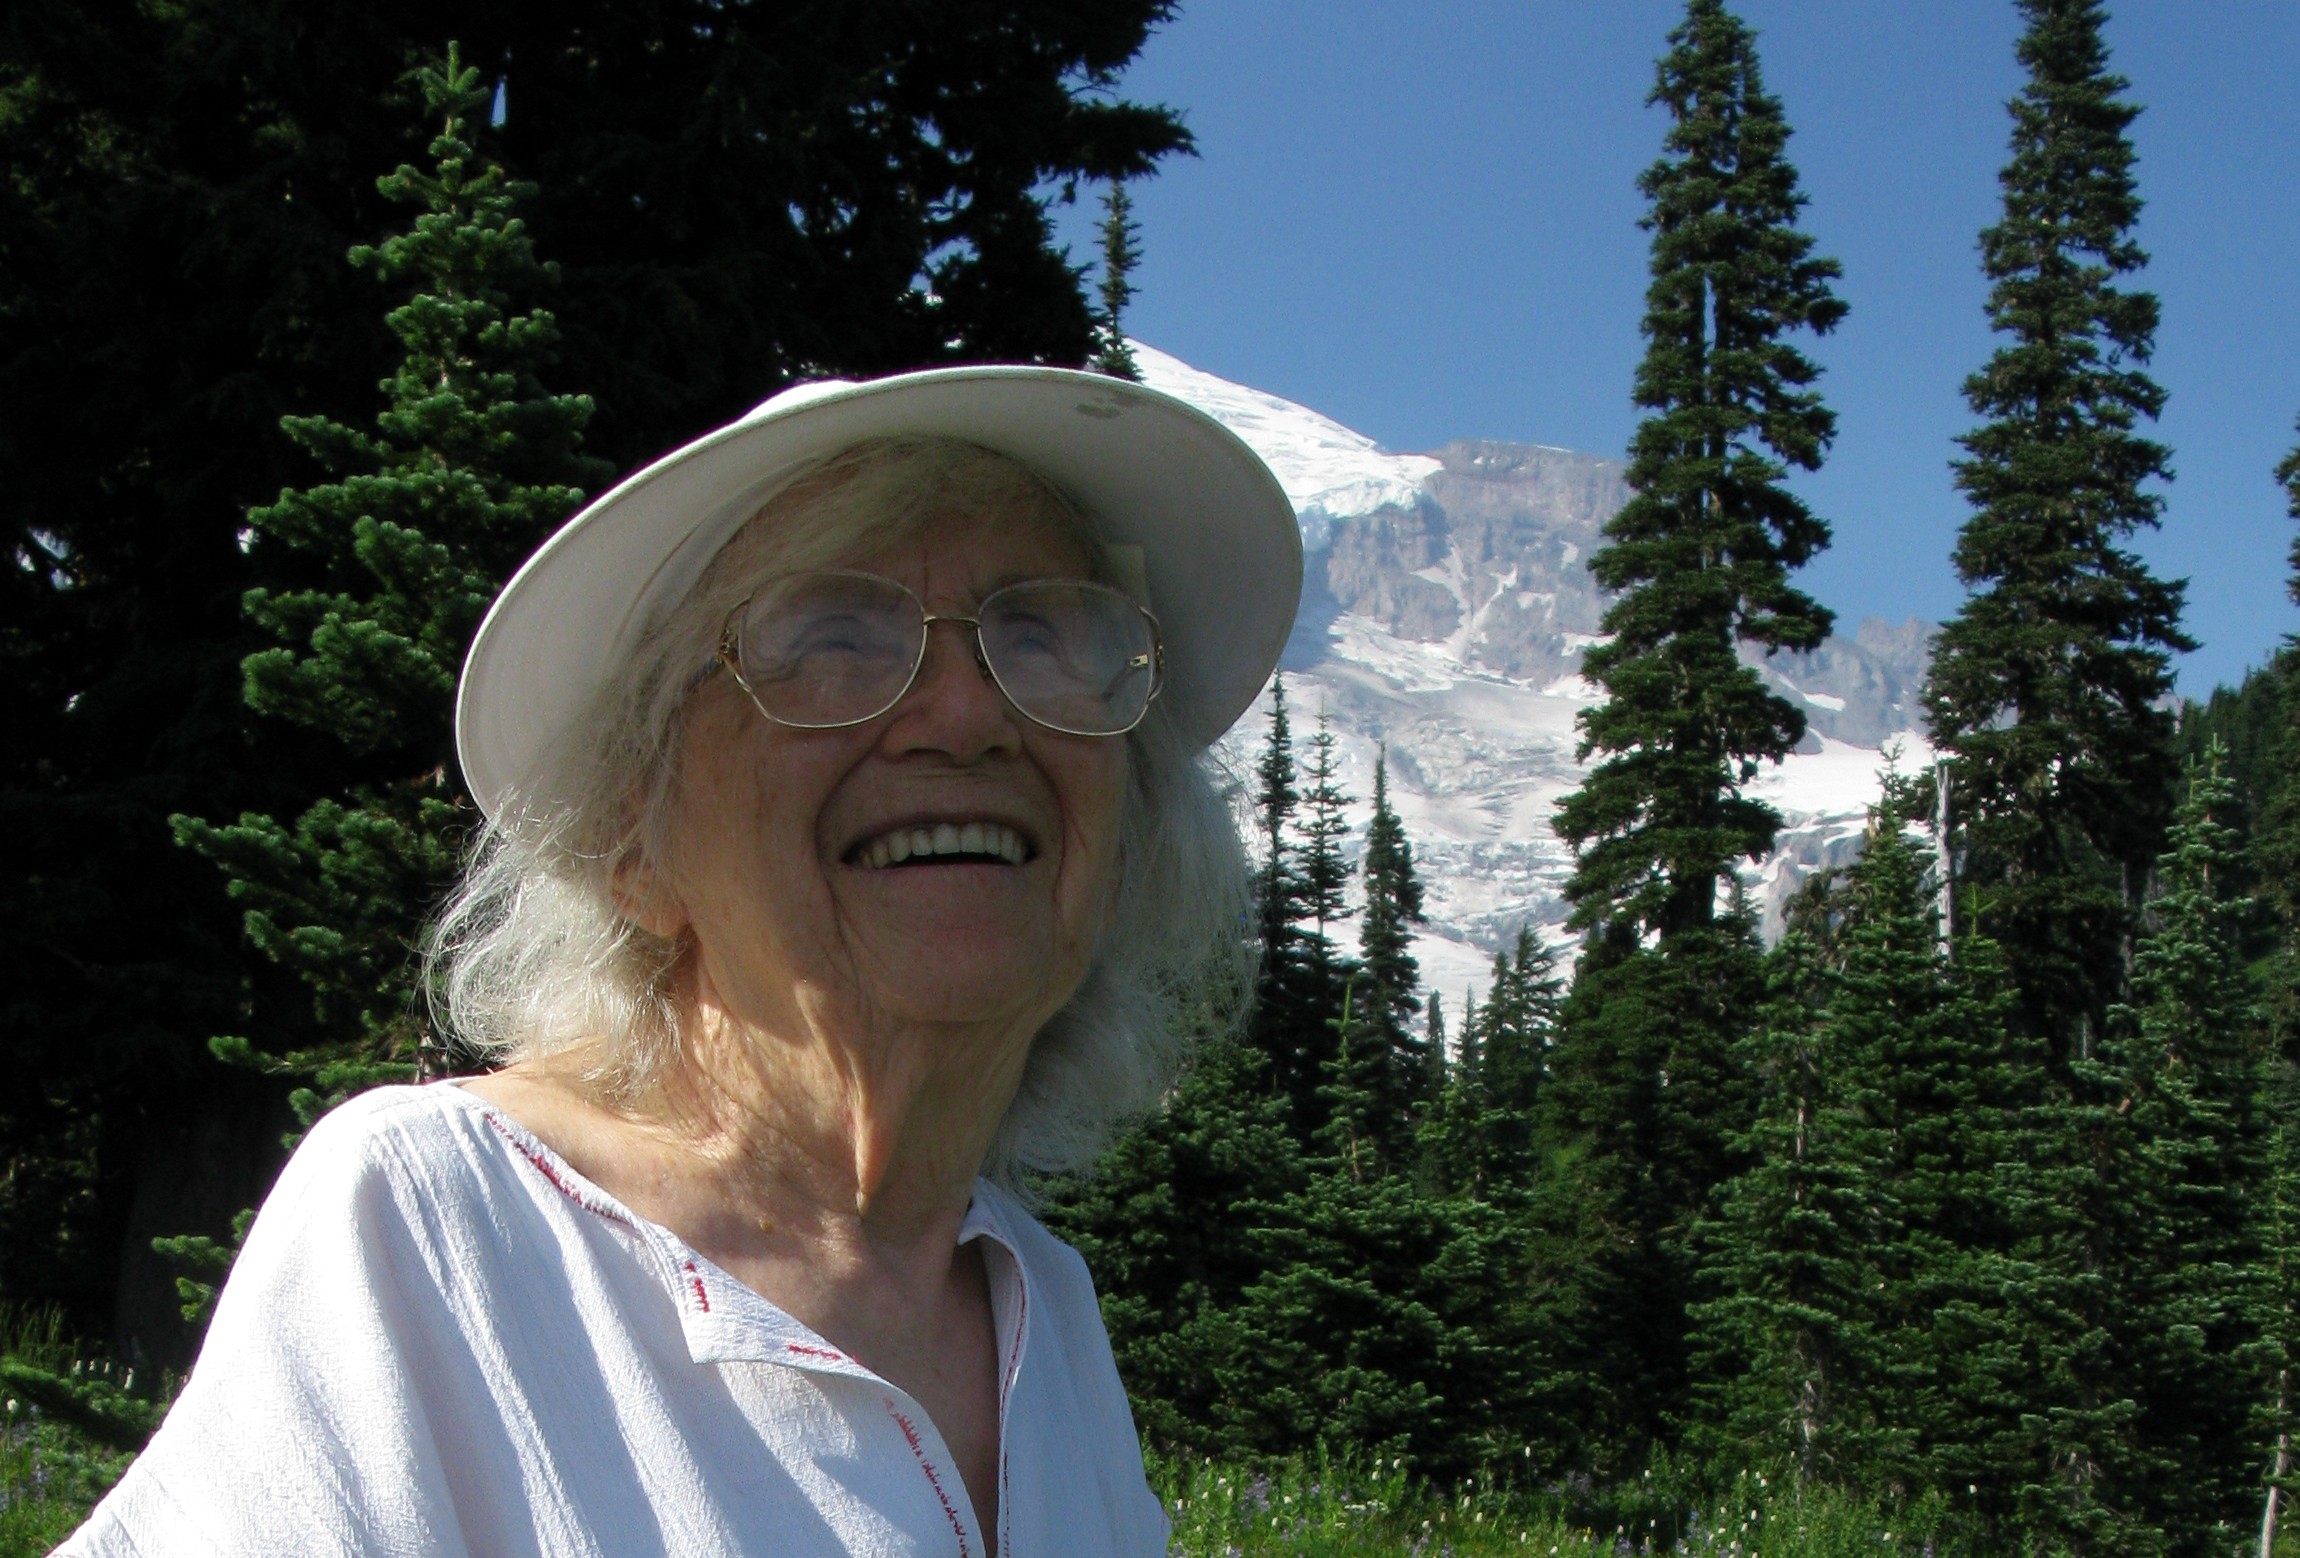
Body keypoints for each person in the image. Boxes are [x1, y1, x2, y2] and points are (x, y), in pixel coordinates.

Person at [60, 366, 1301, 1557]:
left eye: (1040, 636)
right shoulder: (439, 1223)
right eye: (832, 637)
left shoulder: (1042, 1304)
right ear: (628, 844)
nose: (970, 714)